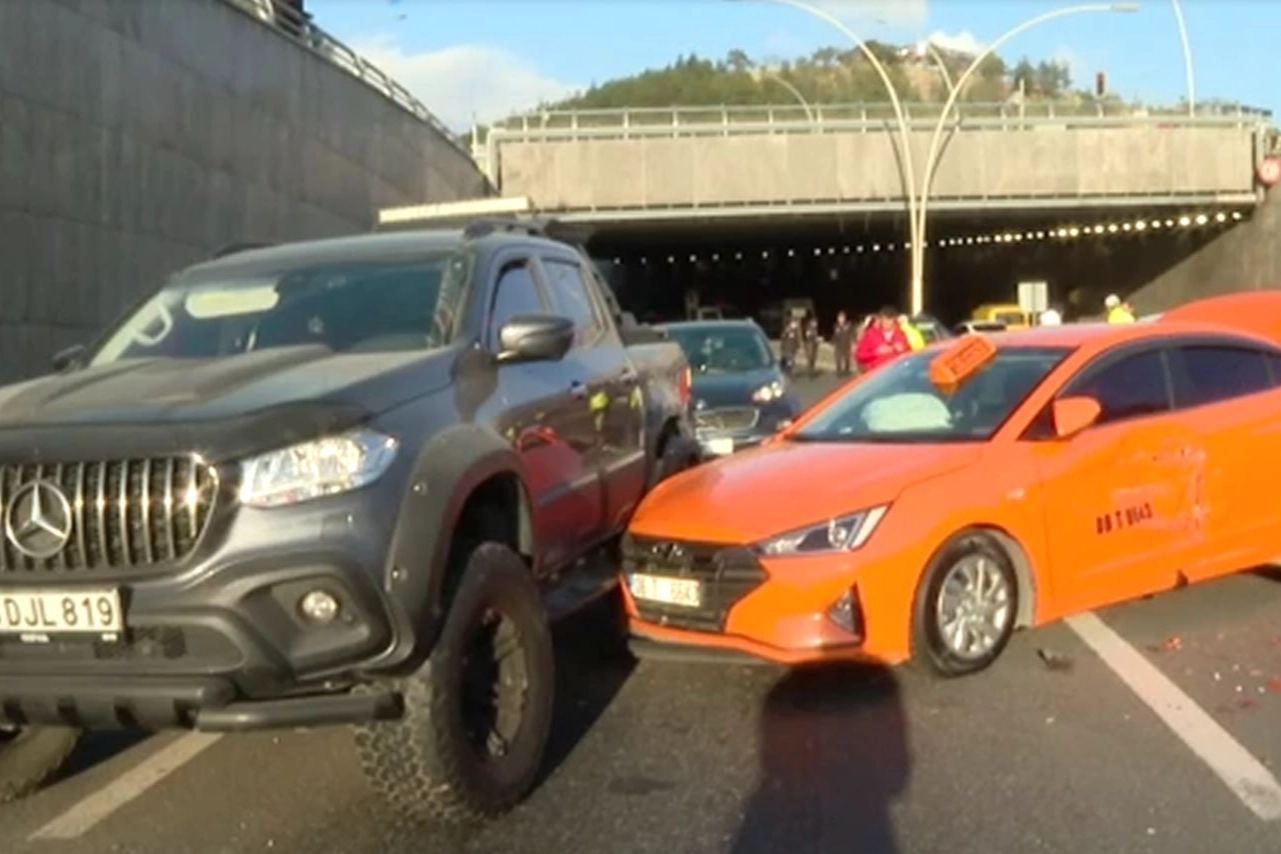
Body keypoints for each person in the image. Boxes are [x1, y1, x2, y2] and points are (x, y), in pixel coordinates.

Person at [855, 306, 911, 373]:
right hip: (877, 375)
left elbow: (910, 355)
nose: (886, 323)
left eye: (889, 320)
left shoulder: (900, 335)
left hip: (896, 374)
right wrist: (876, 353)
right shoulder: (871, 334)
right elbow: (859, 355)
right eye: (884, 320)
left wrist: (903, 351)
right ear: (880, 319)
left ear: (894, 320)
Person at [831, 311, 854, 375]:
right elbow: (833, 336)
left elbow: (852, 334)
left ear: (845, 318)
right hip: (838, 345)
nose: (841, 319)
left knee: (847, 359)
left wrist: (852, 342)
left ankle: (847, 370)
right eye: (840, 318)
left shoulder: (848, 325)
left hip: (846, 345)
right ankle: (839, 371)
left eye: (842, 318)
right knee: (838, 359)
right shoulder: (835, 326)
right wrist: (835, 335)